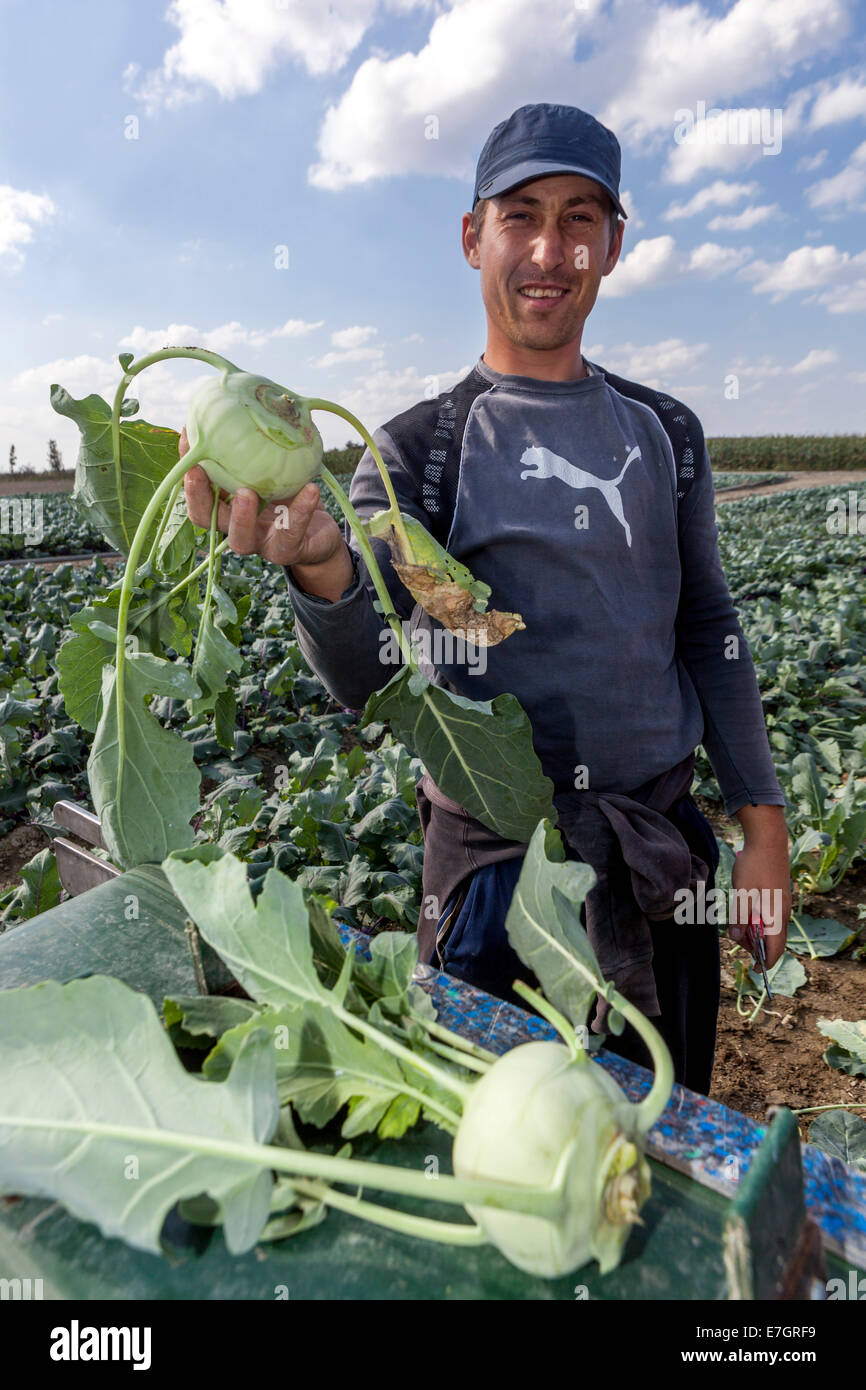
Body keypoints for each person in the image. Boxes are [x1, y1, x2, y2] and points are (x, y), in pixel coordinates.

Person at [182, 103, 792, 1096]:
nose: (549, 249)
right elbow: (369, 671)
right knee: (500, 1150)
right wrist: (322, 571)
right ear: (473, 237)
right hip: (492, 880)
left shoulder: (664, 431)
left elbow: (706, 625)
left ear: (611, 246)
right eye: (520, 215)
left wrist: (759, 828)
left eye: (579, 217)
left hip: (652, 853)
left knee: (661, 1142)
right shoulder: (416, 450)